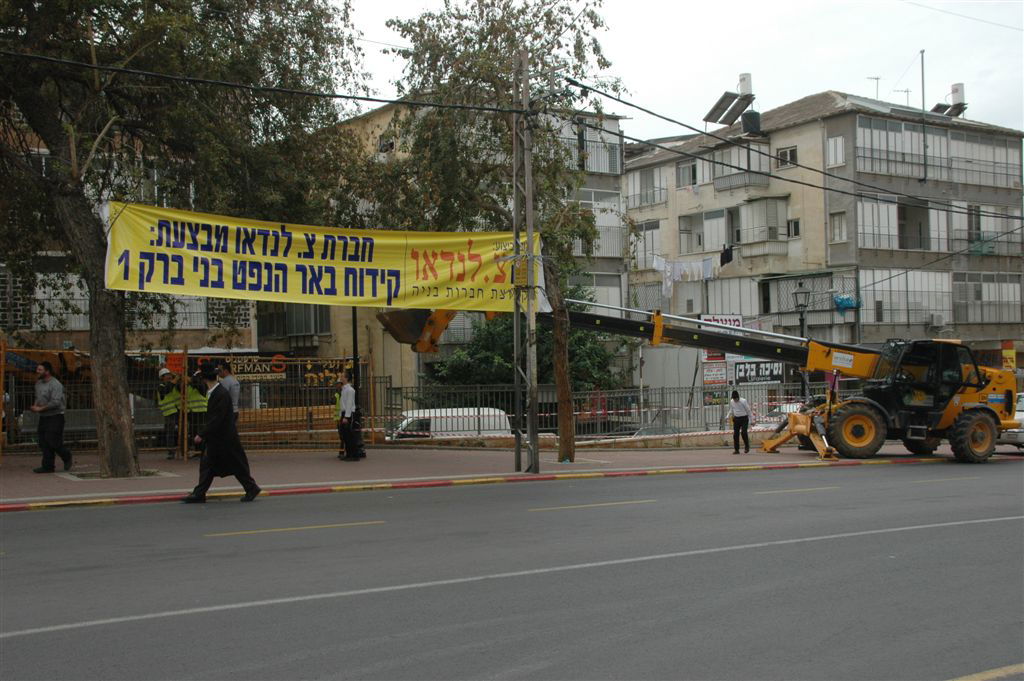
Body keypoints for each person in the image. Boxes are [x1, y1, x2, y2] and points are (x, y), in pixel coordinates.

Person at [182, 362, 260, 503]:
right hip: (218, 438)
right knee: (209, 465)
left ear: (204, 378)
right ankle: (199, 493)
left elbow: (216, 418)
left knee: (234, 465)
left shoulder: (220, 394)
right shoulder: (214, 392)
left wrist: (202, 434)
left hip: (224, 439)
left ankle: (251, 488)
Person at [30, 361, 72, 473]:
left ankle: (66, 456)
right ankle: (48, 466)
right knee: (43, 441)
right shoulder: (38, 383)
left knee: (52, 440)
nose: (37, 372)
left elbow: (56, 402)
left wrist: (40, 408)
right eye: (37, 369)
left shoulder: (55, 384)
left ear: (47, 372)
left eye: (40, 370)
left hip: (56, 416)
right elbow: (38, 397)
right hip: (44, 417)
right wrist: (35, 406)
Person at [335, 369, 365, 461]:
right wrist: (341, 415)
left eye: (342, 376)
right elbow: (342, 404)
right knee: (345, 435)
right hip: (344, 413)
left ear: (347, 378)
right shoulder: (344, 389)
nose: (341, 378)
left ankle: (354, 455)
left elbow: (348, 404)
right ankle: (349, 454)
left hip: (348, 414)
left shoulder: (350, 390)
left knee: (350, 435)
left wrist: (346, 417)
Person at [156, 367, 181, 460]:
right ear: (162, 377)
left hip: (178, 410)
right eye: (167, 375)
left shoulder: (174, 384)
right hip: (169, 412)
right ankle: (171, 452)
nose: (169, 377)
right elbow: (167, 390)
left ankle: (183, 450)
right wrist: (175, 379)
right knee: (170, 433)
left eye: (170, 375)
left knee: (182, 431)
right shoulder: (161, 386)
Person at [729, 389, 752, 455]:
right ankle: (736, 450)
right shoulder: (732, 401)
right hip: (736, 419)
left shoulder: (743, 401)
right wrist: (727, 416)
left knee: (744, 432)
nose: (735, 400)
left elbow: (748, 410)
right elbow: (732, 409)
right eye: (734, 399)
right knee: (735, 435)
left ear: (738, 397)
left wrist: (751, 420)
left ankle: (747, 447)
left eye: (736, 399)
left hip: (744, 418)